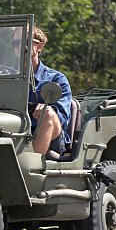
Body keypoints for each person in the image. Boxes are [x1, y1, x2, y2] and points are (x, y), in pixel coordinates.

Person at [14, 26, 73, 156]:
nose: (20, 46)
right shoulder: (8, 78)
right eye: (16, 43)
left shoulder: (56, 79)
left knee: (48, 113)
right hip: (14, 133)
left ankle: (32, 165)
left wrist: (46, 108)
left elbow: (62, 120)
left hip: (51, 137)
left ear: (39, 46)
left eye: (26, 41)